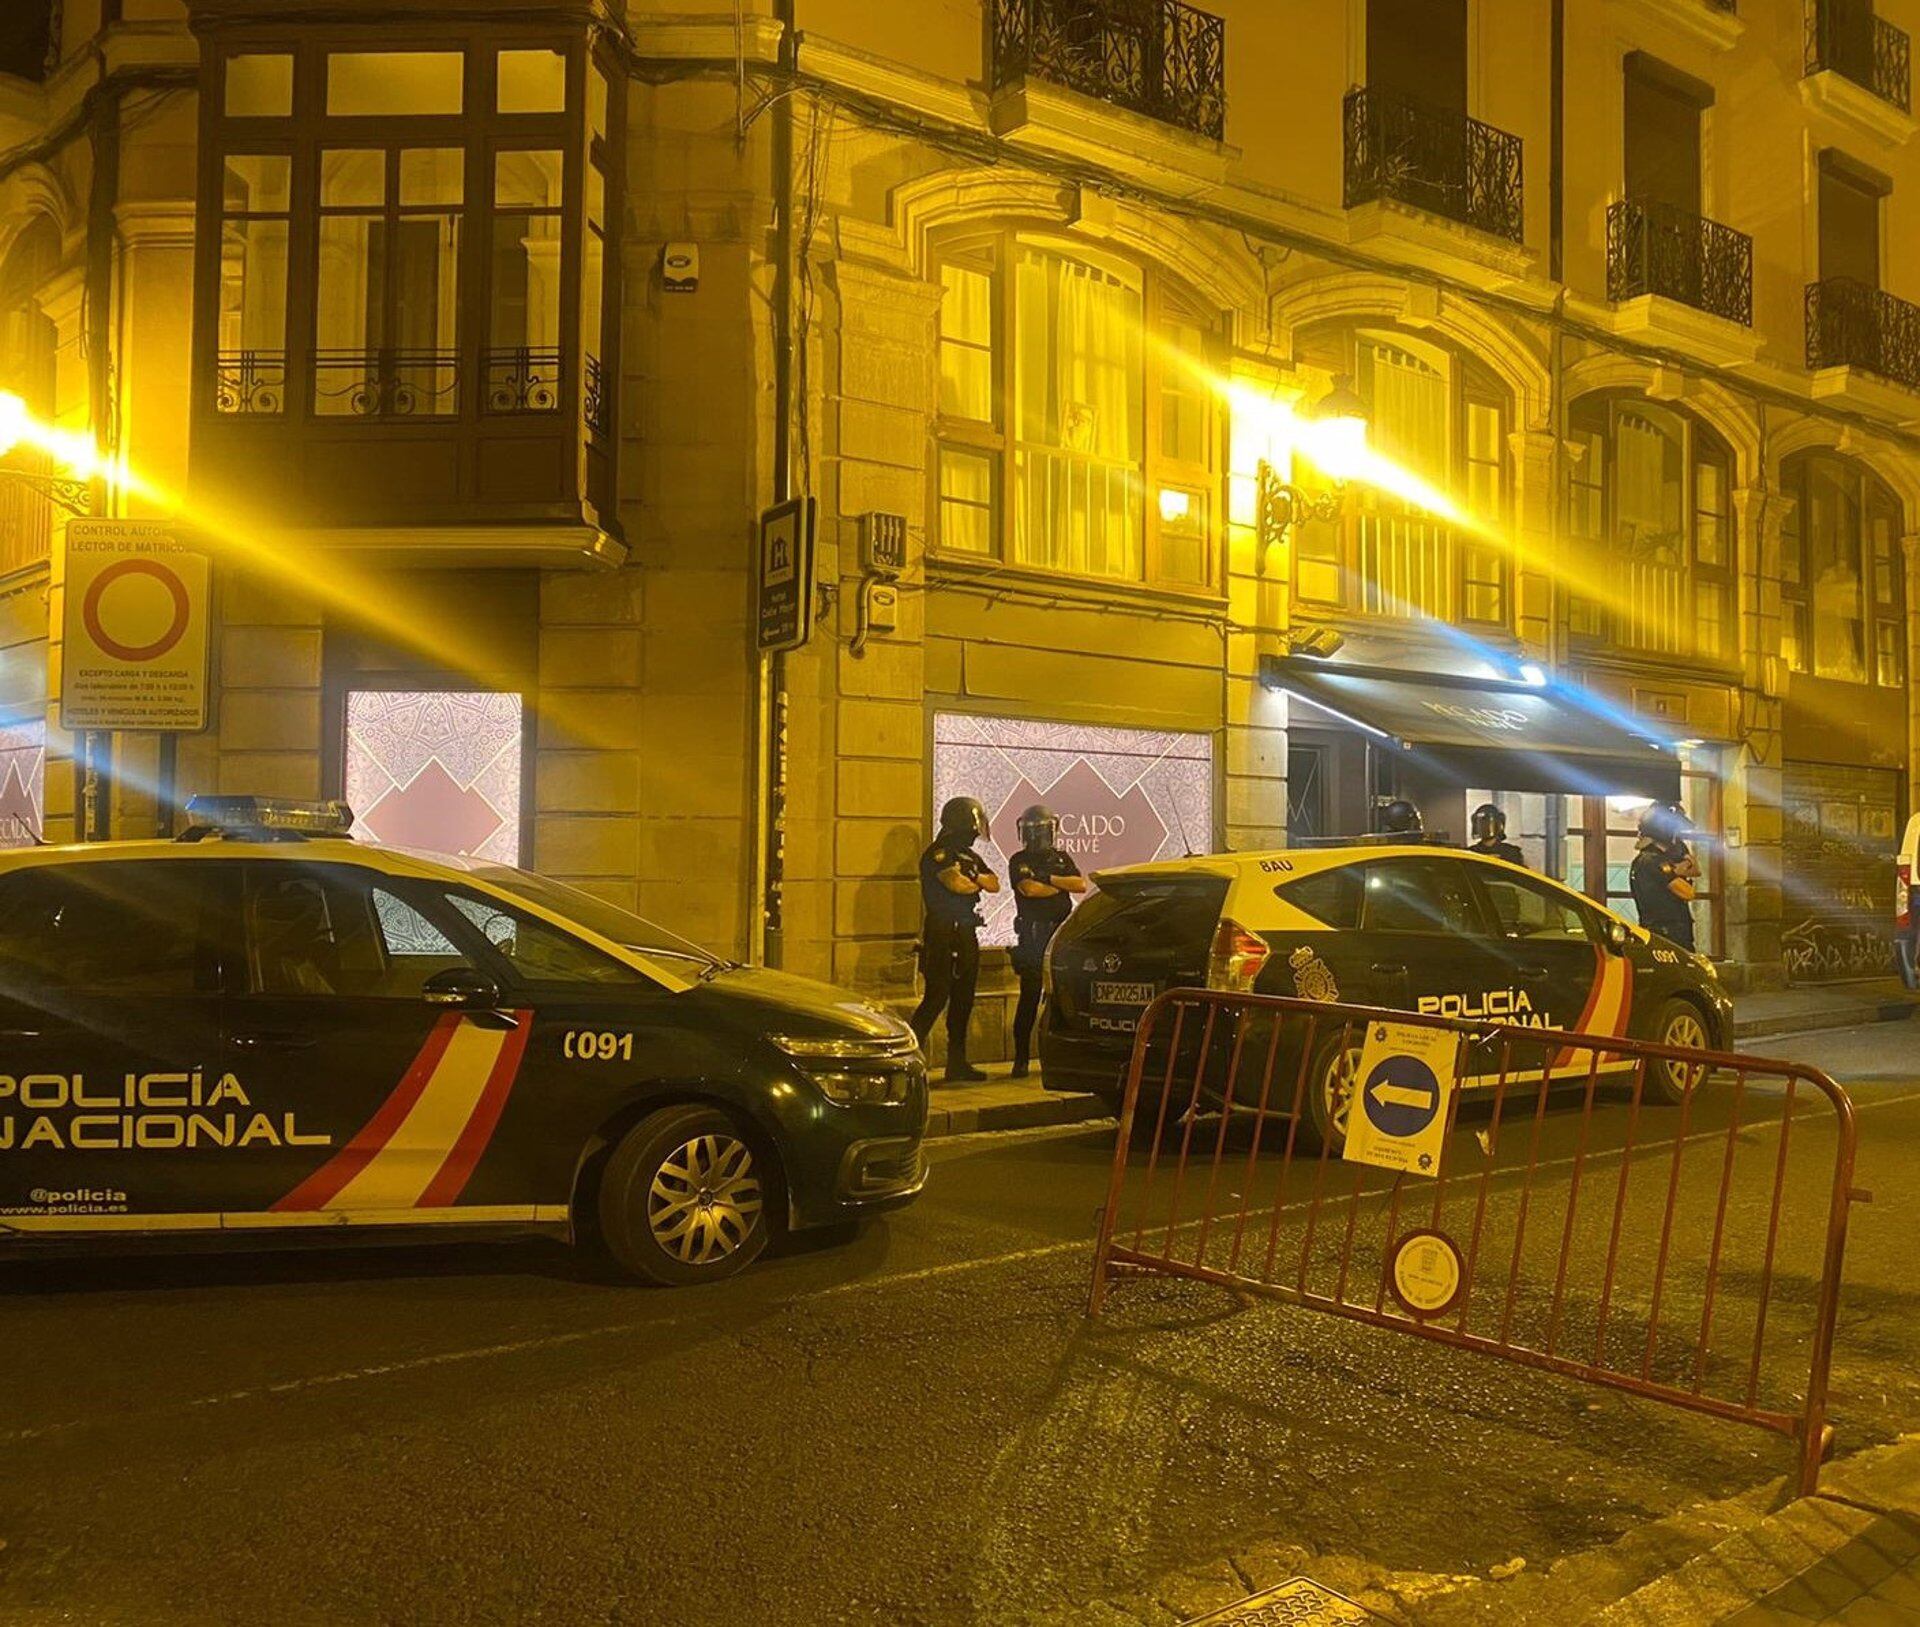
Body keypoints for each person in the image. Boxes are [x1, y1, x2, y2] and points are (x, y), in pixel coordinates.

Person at [910, 796, 1000, 1083]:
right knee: (936, 997)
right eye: (973, 829)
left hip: (966, 932)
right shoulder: (938, 853)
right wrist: (975, 879)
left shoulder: (967, 856)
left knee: (964, 1000)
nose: (975, 835)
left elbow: (994, 883)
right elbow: (956, 884)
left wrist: (972, 874)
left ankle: (957, 1062)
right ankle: (910, 1060)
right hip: (942, 932)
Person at [1006, 804, 1088, 1079]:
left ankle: (1063, 1058)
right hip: (1033, 935)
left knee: (1064, 997)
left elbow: (1080, 885)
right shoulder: (1019, 860)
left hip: (1060, 934)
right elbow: (1029, 890)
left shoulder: (1061, 858)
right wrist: (1057, 886)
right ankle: (1021, 1059)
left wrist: (1049, 879)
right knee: (1029, 998)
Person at [1630, 801, 1701, 950]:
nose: (1678, 838)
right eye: (1676, 831)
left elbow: (1695, 870)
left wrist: (1675, 869)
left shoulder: (1655, 861)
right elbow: (1688, 893)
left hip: (1672, 937)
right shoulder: (1652, 862)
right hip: (1665, 939)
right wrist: (1676, 871)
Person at [1467, 802, 1526, 867]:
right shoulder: (1470, 853)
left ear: (1498, 823)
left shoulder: (1511, 853)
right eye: (1482, 822)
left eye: (1488, 822)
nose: (1485, 826)